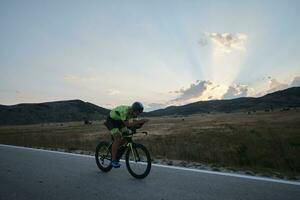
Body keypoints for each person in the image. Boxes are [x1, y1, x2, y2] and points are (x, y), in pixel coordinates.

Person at [105, 102, 149, 168]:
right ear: (133, 109)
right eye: (137, 112)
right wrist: (140, 121)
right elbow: (127, 124)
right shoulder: (124, 111)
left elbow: (134, 124)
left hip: (120, 121)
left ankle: (115, 148)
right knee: (117, 137)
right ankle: (113, 160)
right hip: (112, 120)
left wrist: (140, 124)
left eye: (139, 113)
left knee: (127, 137)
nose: (137, 114)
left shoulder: (134, 114)